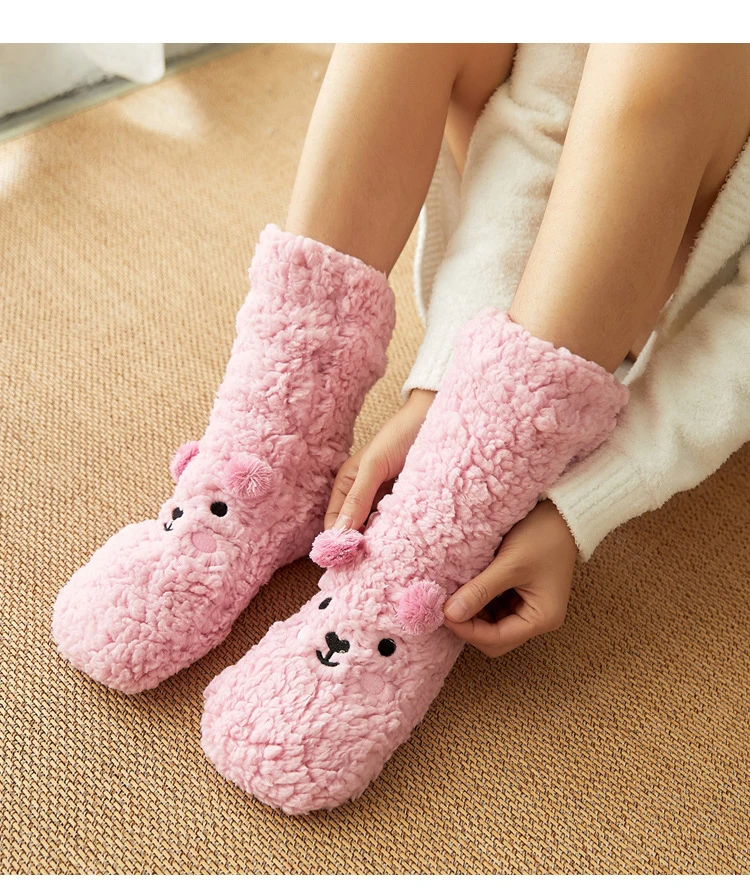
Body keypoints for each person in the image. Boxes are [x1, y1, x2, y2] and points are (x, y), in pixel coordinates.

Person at [54, 45, 750, 814]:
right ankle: (273, 449)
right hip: (524, 273)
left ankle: (417, 565)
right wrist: (443, 385)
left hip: (654, 317)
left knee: (671, 52)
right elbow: (542, 120)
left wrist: (578, 506)